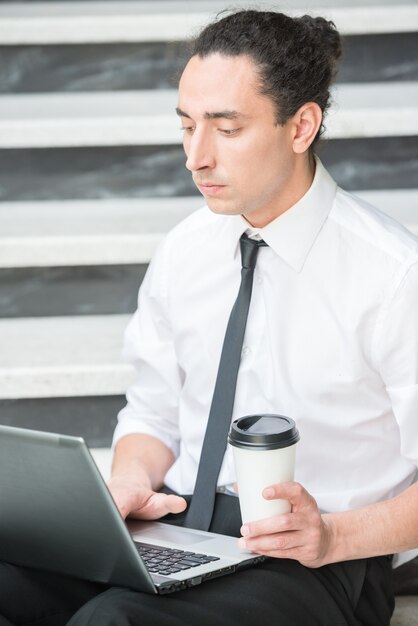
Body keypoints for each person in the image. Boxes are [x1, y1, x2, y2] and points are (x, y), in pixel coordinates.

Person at [1, 8, 417, 626]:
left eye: (226, 128)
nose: (196, 157)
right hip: (176, 525)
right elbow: (152, 413)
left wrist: (332, 536)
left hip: (317, 559)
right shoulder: (186, 249)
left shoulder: (394, 274)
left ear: (301, 125)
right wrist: (130, 480)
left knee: (112, 623)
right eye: (187, 125)